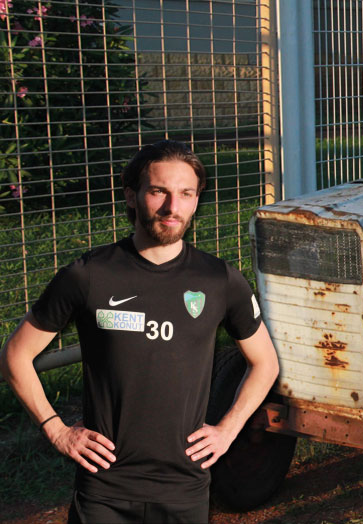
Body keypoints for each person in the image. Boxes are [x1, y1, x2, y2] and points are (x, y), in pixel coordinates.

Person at [0, 140, 280, 523]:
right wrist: (57, 430)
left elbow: (265, 363)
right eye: (158, 191)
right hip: (105, 492)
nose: (172, 207)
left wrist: (228, 430)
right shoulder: (88, 276)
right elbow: (15, 355)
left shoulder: (219, 280)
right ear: (131, 196)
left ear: (197, 200)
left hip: (186, 491)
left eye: (186, 194)